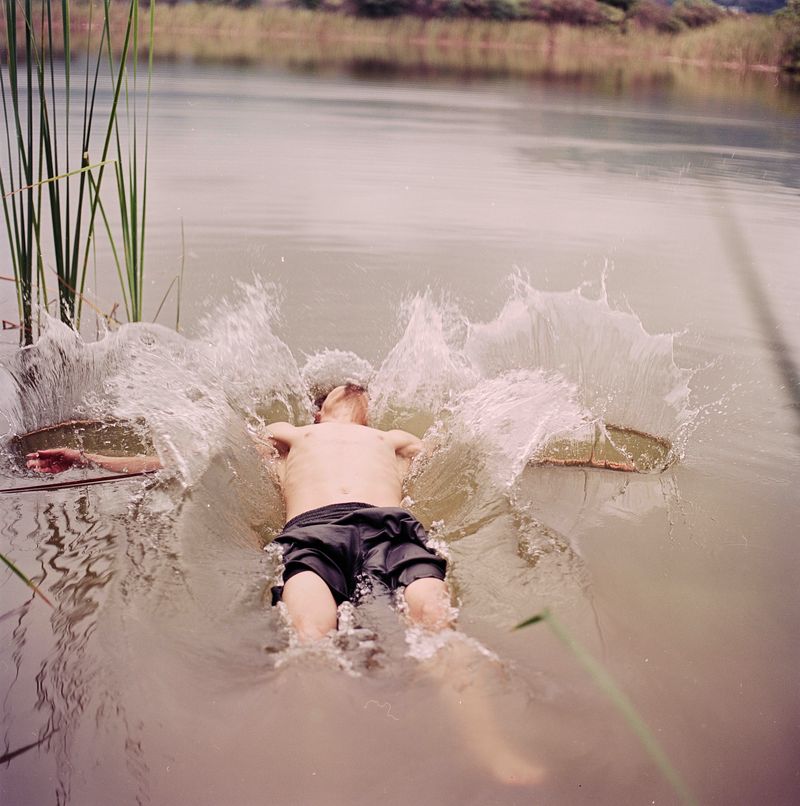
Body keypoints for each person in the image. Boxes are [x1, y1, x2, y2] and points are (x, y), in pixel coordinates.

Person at [26, 383, 543, 785]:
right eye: (343, 388)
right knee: (310, 634)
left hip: (391, 526)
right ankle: (316, 756)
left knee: (435, 616)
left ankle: (490, 743)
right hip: (312, 532)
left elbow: (477, 461)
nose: (356, 388)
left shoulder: (394, 440)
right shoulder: (291, 433)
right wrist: (90, 460)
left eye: (363, 390)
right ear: (318, 410)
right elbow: (191, 463)